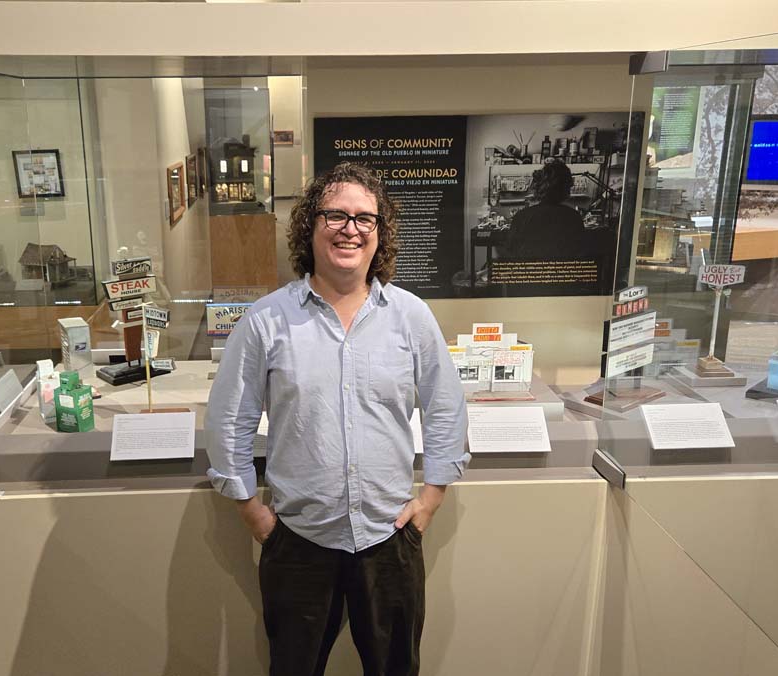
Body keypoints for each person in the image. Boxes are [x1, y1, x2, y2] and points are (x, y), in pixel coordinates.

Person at [205, 162, 469, 675]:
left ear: (379, 232)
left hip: (389, 538)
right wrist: (251, 510)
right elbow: (229, 418)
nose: (350, 229)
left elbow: (445, 407)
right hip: (299, 541)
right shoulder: (267, 320)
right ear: (311, 225)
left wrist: (431, 498)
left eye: (364, 218)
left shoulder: (411, 317)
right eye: (336, 215)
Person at [501, 159, 595, 262]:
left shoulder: (521, 216)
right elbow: (580, 255)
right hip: (562, 271)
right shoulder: (573, 217)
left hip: (531, 270)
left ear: (539, 187)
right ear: (565, 189)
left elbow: (510, 252)